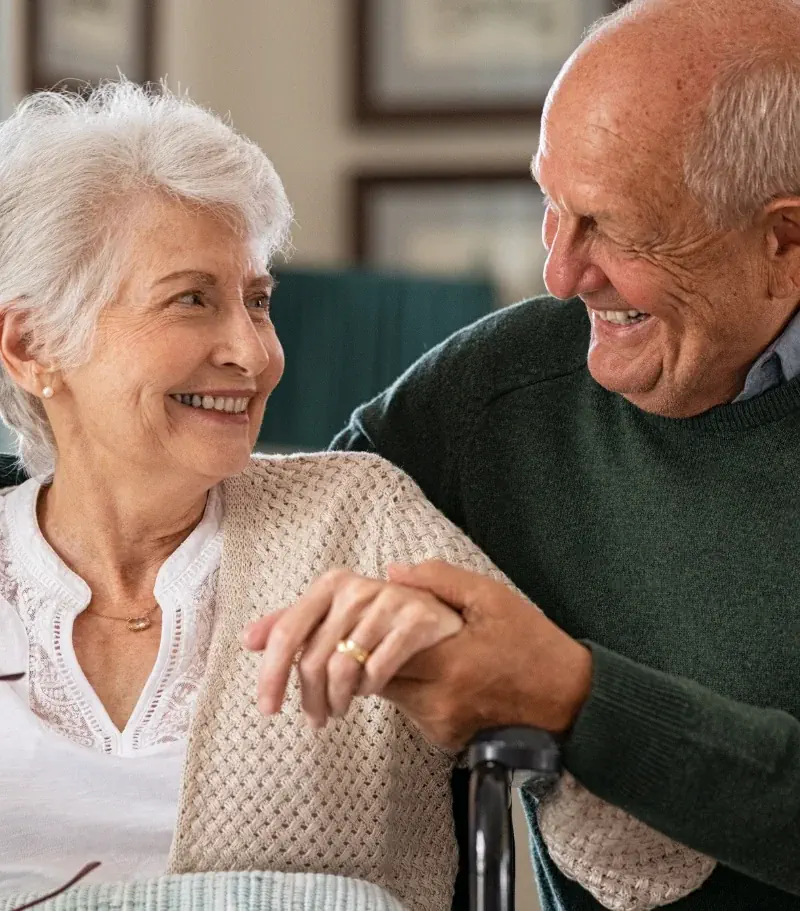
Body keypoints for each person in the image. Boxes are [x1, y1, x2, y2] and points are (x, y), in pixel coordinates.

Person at [0, 83, 707, 911]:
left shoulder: (355, 518)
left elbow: (647, 864)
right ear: (32, 345)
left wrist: (529, 693)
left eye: (258, 301)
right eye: (193, 298)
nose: (253, 351)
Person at [327, 0, 799, 908]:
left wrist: (577, 698)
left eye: (616, 229)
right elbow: (268, 521)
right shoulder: (498, 391)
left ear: (783, 238)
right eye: (552, 206)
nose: (560, 274)